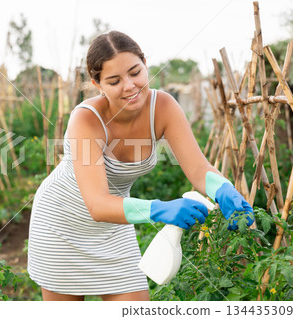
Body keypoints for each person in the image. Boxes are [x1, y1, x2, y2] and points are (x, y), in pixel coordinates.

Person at [27, 30, 254, 301]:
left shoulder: (164, 107)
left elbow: (197, 169)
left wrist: (223, 189)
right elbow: (97, 205)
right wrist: (159, 209)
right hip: (62, 225)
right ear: (96, 83)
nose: (130, 86)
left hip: (114, 226)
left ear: (145, 63)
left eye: (135, 72)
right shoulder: (86, 120)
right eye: (114, 81)